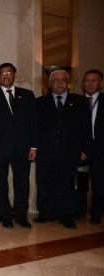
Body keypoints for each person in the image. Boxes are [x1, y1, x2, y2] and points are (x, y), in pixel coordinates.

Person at [35, 69, 92, 229]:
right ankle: (45, 213)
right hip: (46, 152)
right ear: (50, 83)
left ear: (68, 83)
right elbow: (34, 128)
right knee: (44, 184)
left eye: (62, 80)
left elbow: (87, 128)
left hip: (70, 152)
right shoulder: (40, 103)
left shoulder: (81, 102)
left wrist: (85, 149)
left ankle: (67, 216)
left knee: (67, 185)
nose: (59, 83)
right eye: (56, 80)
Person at [0, 63, 38, 229]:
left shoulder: (27, 95)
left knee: (22, 183)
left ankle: (21, 215)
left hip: (23, 148)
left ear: (15, 75)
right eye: (2, 73)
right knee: (0, 183)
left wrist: (34, 146)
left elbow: (33, 122)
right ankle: (6, 215)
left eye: (9, 72)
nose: (6, 75)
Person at [81, 69, 104, 224]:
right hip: (80, 149)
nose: (90, 84)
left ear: (100, 84)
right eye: (87, 81)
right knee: (79, 183)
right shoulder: (75, 101)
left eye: (94, 81)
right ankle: (79, 211)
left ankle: (96, 213)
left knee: (99, 183)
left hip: (100, 149)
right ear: (83, 84)